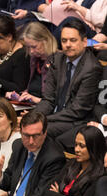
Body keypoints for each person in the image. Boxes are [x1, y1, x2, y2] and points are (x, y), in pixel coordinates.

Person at [35, 18, 103, 152]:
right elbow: (48, 99)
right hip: (57, 116)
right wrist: (35, 116)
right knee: (28, 125)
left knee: (37, 131)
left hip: (76, 121)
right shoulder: (57, 59)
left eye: (73, 40)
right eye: (64, 40)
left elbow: (78, 110)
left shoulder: (92, 68)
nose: (68, 45)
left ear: (84, 42)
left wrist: (43, 120)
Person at [0, 110, 66, 196]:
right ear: (20, 132)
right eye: (26, 135)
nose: (31, 141)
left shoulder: (54, 158)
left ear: (44, 133)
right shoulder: (18, 146)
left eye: (36, 136)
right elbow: (7, 184)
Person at [7, 21, 58, 105]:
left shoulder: (58, 60)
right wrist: (20, 95)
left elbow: (56, 101)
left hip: (45, 108)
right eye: (28, 47)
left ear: (46, 41)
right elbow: (33, 88)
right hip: (32, 105)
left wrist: (36, 100)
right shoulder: (34, 59)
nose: (31, 51)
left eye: (34, 47)